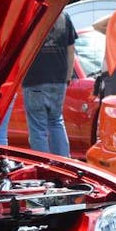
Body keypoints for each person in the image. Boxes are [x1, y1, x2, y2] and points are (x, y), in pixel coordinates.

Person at [21, 11, 77, 157]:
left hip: (34, 79)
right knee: (56, 121)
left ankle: (42, 166)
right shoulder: (64, 16)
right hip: (59, 78)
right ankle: (64, 164)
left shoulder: (30, 14)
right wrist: (68, 75)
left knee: (38, 129)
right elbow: (70, 49)